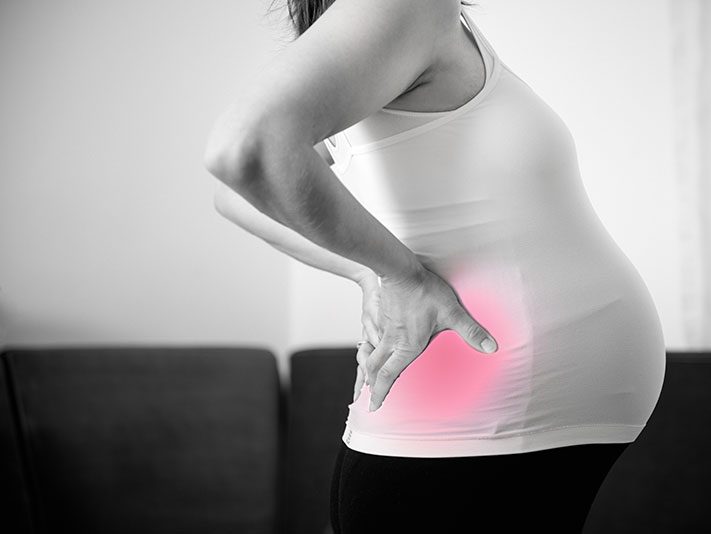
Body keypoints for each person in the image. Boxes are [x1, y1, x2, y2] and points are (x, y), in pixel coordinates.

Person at [204, 0, 666, 532]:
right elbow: (247, 154)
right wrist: (396, 275)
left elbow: (236, 187)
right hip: (486, 412)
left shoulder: (416, 22)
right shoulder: (403, 5)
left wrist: (371, 273)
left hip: (509, 418)